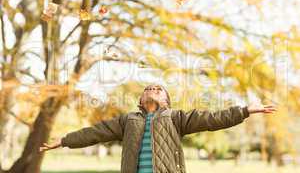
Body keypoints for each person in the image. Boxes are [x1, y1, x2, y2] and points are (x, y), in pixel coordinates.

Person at [40, 84, 277, 173]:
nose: (153, 88)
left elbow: (213, 119)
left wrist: (245, 110)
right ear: (140, 100)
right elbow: (95, 132)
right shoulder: (128, 119)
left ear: (166, 100)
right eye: (148, 88)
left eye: (159, 89)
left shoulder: (176, 117)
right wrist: (64, 140)